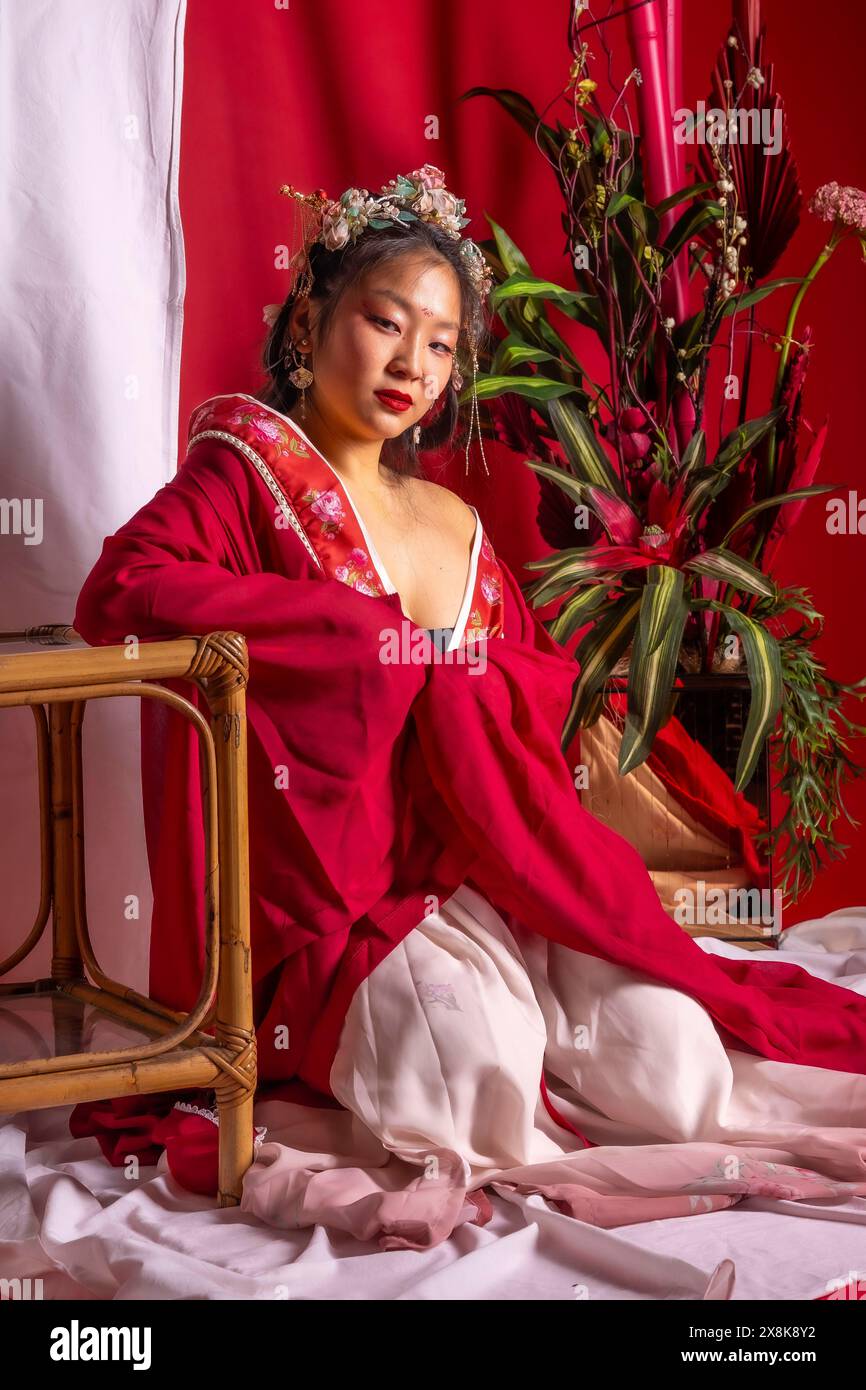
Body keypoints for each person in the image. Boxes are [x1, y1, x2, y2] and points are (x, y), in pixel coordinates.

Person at [68, 166, 866, 1249]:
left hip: (497, 867)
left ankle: (587, 1071)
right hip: (346, 907)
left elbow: (527, 707)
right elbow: (118, 593)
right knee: (466, 1072)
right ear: (312, 315)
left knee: (672, 1063)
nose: (412, 365)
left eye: (440, 344)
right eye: (384, 321)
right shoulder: (245, 473)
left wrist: (463, 685)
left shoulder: (450, 516)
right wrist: (357, 640)